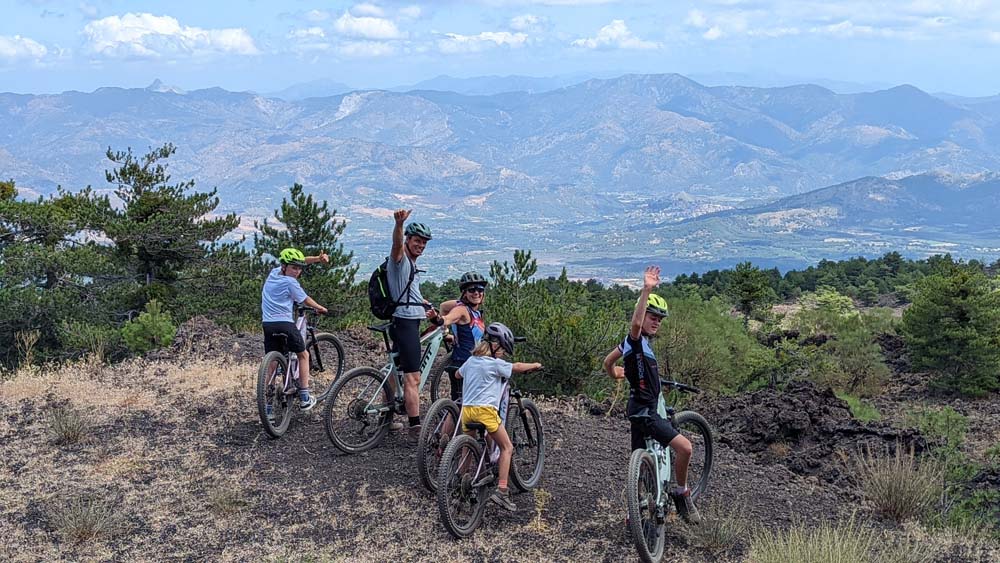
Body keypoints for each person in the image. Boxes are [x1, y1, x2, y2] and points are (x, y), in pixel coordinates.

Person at [602, 265, 701, 524]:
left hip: (635, 409)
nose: (656, 320)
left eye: (660, 318)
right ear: (642, 314)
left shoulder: (631, 344)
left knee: (641, 466)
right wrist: (646, 289)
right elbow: (635, 324)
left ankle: (634, 512)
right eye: (652, 316)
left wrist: (616, 373)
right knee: (686, 448)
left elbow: (607, 362)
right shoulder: (635, 339)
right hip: (646, 411)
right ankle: (682, 494)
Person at [457, 322, 542, 511]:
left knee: (466, 449)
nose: (503, 352)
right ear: (495, 347)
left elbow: (457, 374)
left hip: (467, 411)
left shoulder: (471, 361)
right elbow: (517, 366)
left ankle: (460, 481)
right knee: (507, 447)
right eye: (503, 349)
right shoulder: (496, 364)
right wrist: (535, 365)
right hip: (485, 412)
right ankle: (502, 491)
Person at [387, 209, 436, 442]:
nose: (421, 245)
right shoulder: (401, 259)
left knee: (396, 370)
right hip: (406, 323)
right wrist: (399, 224)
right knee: (412, 378)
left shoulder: (412, 265)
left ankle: (385, 416)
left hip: (407, 319)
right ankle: (415, 428)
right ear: (408, 239)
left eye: (424, 242)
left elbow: (408, 290)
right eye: (417, 241)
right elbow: (396, 247)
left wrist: (423, 303)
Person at [261, 247, 329, 412]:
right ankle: (305, 397)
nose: (298, 271)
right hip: (284, 323)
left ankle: (267, 408)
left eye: (299, 268)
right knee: (303, 354)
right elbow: (305, 299)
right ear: (285, 267)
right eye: (294, 268)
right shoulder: (291, 283)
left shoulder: (274, 274)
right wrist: (320, 308)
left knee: (272, 364)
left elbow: (300, 260)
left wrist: (317, 259)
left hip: (267, 324)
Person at [438, 271, 488, 402]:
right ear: (465, 292)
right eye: (472, 290)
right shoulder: (462, 310)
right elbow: (447, 316)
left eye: (480, 289)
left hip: (473, 363)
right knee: (463, 405)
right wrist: (443, 326)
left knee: (462, 406)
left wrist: (450, 335)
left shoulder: (475, 312)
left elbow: (443, 305)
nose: (476, 293)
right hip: (463, 364)